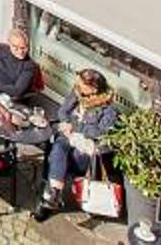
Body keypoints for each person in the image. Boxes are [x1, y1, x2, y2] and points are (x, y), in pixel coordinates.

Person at [20, 68, 122, 220]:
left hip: (85, 148)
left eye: (82, 85)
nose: (77, 87)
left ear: (93, 89)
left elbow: (100, 132)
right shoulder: (77, 93)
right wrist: (67, 124)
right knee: (59, 148)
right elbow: (62, 111)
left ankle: (49, 198)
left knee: (61, 155)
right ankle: (53, 195)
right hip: (68, 137)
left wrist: (76, 128)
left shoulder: (109, 110)